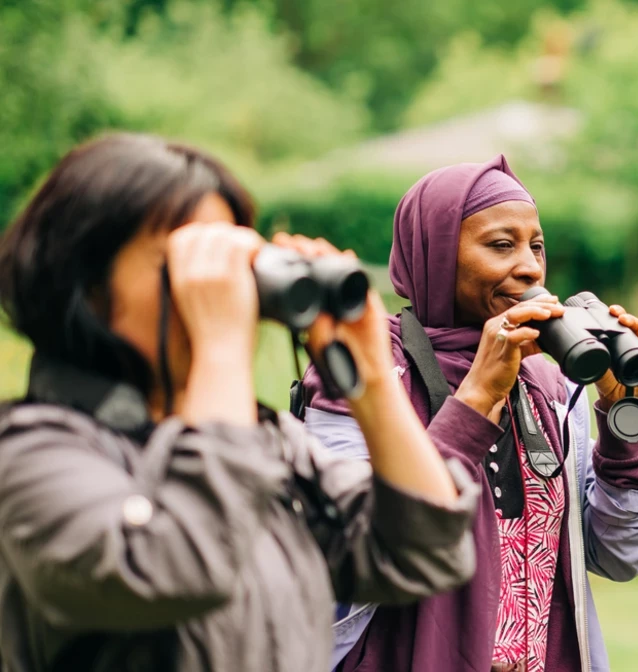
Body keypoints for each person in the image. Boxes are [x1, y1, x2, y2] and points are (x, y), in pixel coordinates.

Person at [0, 134, 479, 671]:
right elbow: (176, 564)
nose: (218, 288)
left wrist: (371, 379)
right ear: (83, 280)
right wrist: (222, 347)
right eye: (182, 262)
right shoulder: (29, 455)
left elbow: (425, 550)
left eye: (229, 266)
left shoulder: (269, 445)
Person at [298, 156, 638, 672]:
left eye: (536, 246)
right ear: (435, 255)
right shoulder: (368, 369)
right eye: (501, 245)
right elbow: (351, 558)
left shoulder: (552, 380)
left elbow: (619, 556)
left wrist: (617, 412)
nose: (529, 267)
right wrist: (474, 400)